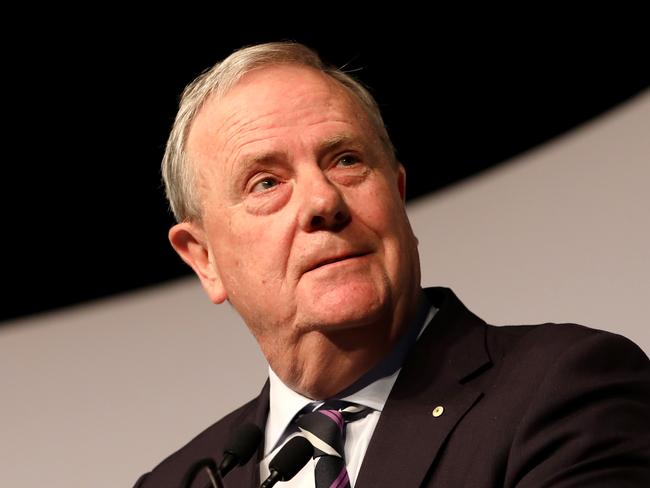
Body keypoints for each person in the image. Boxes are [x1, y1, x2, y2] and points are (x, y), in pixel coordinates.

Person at [134, 42, 650, 487]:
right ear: (204, 259)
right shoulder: (178, 480)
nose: (323, 201)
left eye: (346, 160)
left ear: (397, 196)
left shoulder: (567, 390)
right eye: (266, 183)